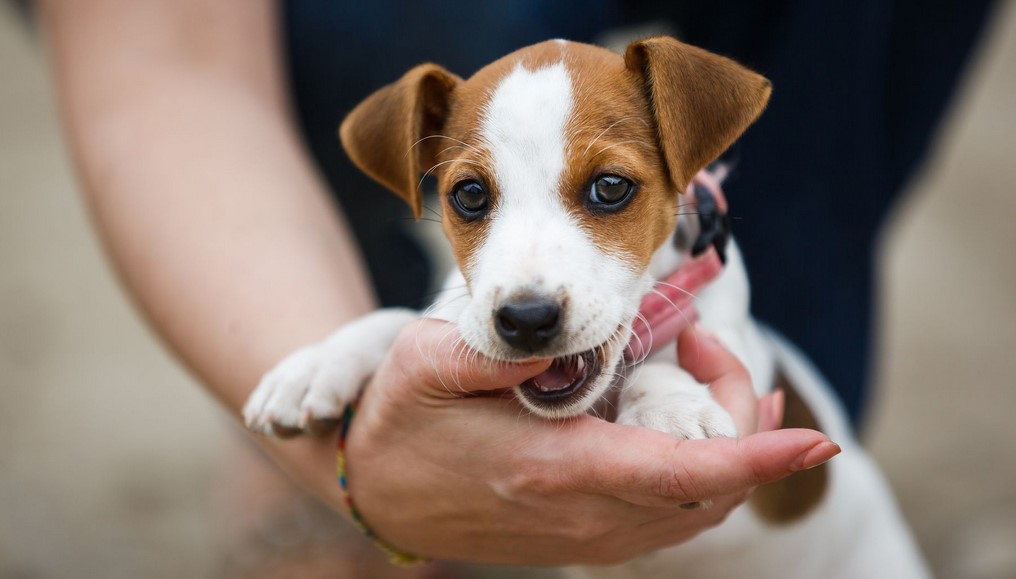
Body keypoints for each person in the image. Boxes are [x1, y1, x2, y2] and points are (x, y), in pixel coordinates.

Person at [36, 0, 990, 575]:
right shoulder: (491, 264)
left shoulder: (710, 272)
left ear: (692, 165)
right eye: (475, 198)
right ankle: (355, 501)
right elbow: (429, 333)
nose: (526, 286)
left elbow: (699, 376)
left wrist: (661, 389)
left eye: (606, 191)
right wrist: (352, 351)